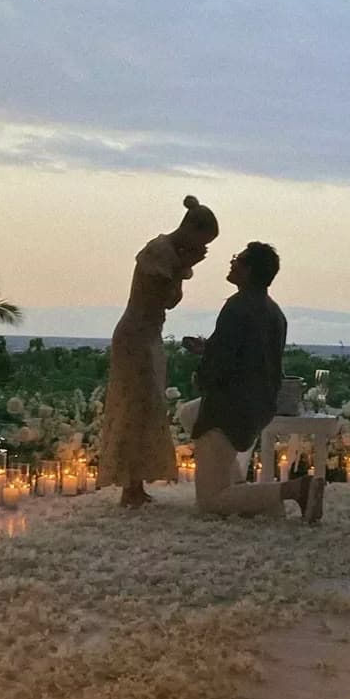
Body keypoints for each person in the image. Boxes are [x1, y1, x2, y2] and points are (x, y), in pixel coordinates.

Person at [180, 242, 324, 521]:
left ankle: (295, 489)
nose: (232, 262)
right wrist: (208, 347)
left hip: (229, 408)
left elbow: (222, 365)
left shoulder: (238, 307)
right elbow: (250, 357)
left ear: (249, 270)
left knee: (210, 502)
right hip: (258, 405)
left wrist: (203, 377)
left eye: (238, 259)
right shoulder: (273, 311)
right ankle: (254, 498)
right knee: (187, 413)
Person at [98, 196, 219, 507]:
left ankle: (135, 483)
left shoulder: (170, 256)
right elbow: (165, 297)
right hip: (136, 336)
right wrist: (185, 267)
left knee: (147, 406)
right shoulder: (159, 253)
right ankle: (129, 485)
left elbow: (170, 299)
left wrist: (184, 267)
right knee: (135, 406)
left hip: (149, 334)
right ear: (191, 230)